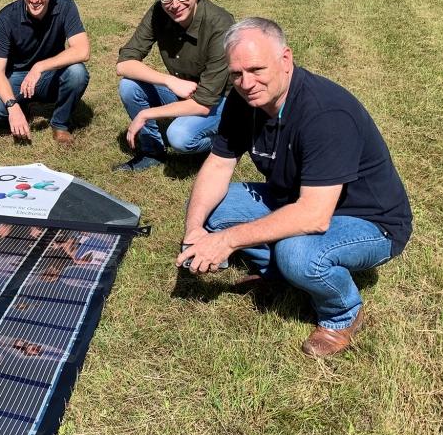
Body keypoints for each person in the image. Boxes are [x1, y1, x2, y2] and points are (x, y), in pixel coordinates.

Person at [176, 18, 412, 358]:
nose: (246, 83)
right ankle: (282, 275)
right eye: (236, 74)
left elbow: (314, 216)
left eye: (256, 69)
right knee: (216, 208)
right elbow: (217, 166)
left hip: (370, 222)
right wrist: (195, 231)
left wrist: (226, 241)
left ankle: (342, 314)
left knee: (298, 253)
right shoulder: (244, 101)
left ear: (285, 59)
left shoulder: (325, 113)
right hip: (297, 198)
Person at [114, 0, 235, 172]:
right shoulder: (159, 11)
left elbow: (204, 102)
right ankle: (152, 151)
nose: (175, 4)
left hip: (220, 100)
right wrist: (169, 81)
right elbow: (124, 64)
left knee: (179, 136)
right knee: (129, 86)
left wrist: (146, 113)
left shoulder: (221, 24)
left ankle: (228, 141)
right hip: (184, 91)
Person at [0, 0, 90, 147]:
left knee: (77, 72)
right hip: (17, 77)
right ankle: (21, 105)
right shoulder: (6, 17)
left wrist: (39, 67)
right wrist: (12, 107)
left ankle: (60, 124)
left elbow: (82, 50)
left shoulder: (65, 5)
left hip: (50, 74)